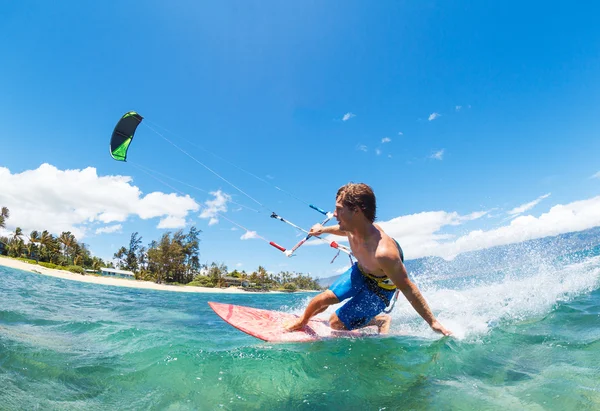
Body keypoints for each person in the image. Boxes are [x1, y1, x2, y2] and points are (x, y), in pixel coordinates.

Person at [285, 182, 452, 336]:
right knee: (323, 299)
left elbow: (408, 288)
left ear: (356, 210)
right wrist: (323, 229)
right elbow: (343, 230)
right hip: (362, 271)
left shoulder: (384, 253)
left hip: (380, 289)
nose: (335, 214)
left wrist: (433, 322)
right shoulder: (351, 227)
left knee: (335, 323)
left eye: (339, 209)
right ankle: (302, 321)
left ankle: (380, 320)